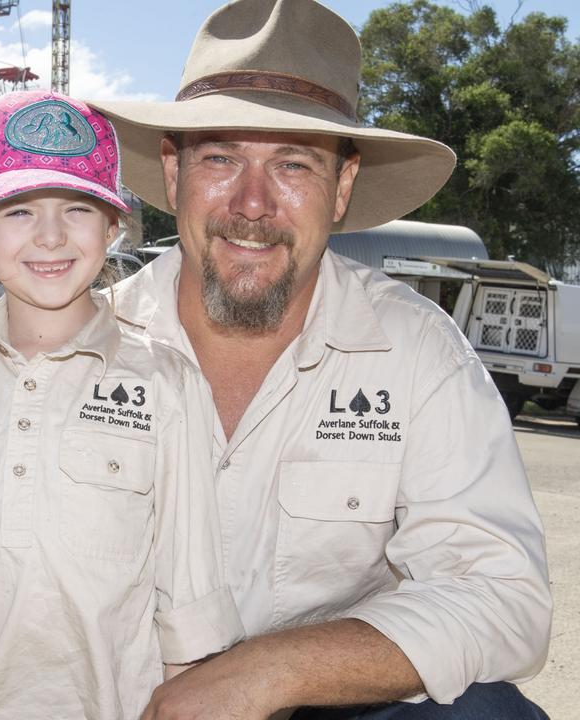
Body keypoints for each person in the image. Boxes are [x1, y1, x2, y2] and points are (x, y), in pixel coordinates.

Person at [89, 0, 552, 717]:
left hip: (317, 704)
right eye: (220, 158)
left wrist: (266, 673)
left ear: (341, 189)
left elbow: (502, 596)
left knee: (486, 711)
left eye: (294, 165)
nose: (252, 204)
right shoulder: (76, 347)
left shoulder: (417, 350)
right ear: (173, 173)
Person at [0, 90, 244, 719]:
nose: (50, 236)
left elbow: (189, 600)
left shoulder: (166, 382)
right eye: (19, 210)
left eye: (78, 209)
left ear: (113, 228)